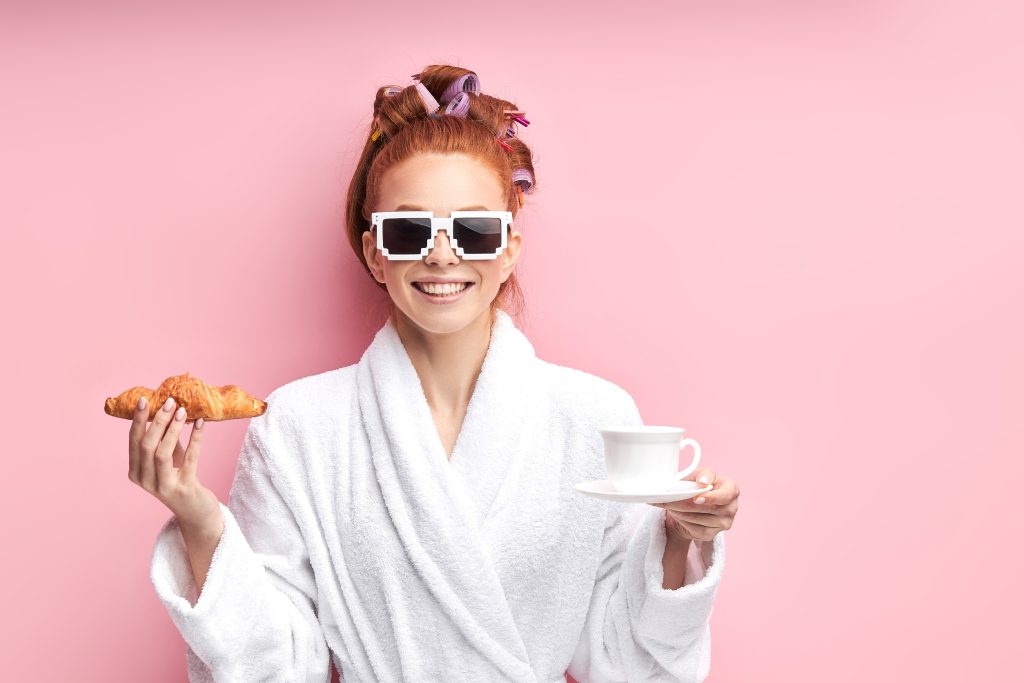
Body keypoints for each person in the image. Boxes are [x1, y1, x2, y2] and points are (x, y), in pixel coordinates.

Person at [130, 64, 741, 682]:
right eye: (409, 229)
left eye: (475, 231)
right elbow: (281, 667)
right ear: (375, 251)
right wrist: (201, 522)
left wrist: (678, 539)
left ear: (508, 253)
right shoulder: (299, 427)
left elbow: (628, 663)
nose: (442, 253)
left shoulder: (593, 417)